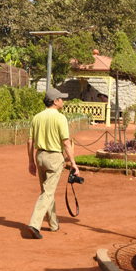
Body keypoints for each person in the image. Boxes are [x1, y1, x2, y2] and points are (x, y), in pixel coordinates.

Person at [26, 88, 80, 239]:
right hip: (55, 157)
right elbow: (66, 143)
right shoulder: (60, 118)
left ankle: (53, 223)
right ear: (55, 101)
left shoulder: (37, 117)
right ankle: (34, 224)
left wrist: (31, 161)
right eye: (61, 99)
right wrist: (73, 163)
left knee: (46, 190)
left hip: (40, 156)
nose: (63, 101)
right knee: (48, 192)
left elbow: (30, 140)